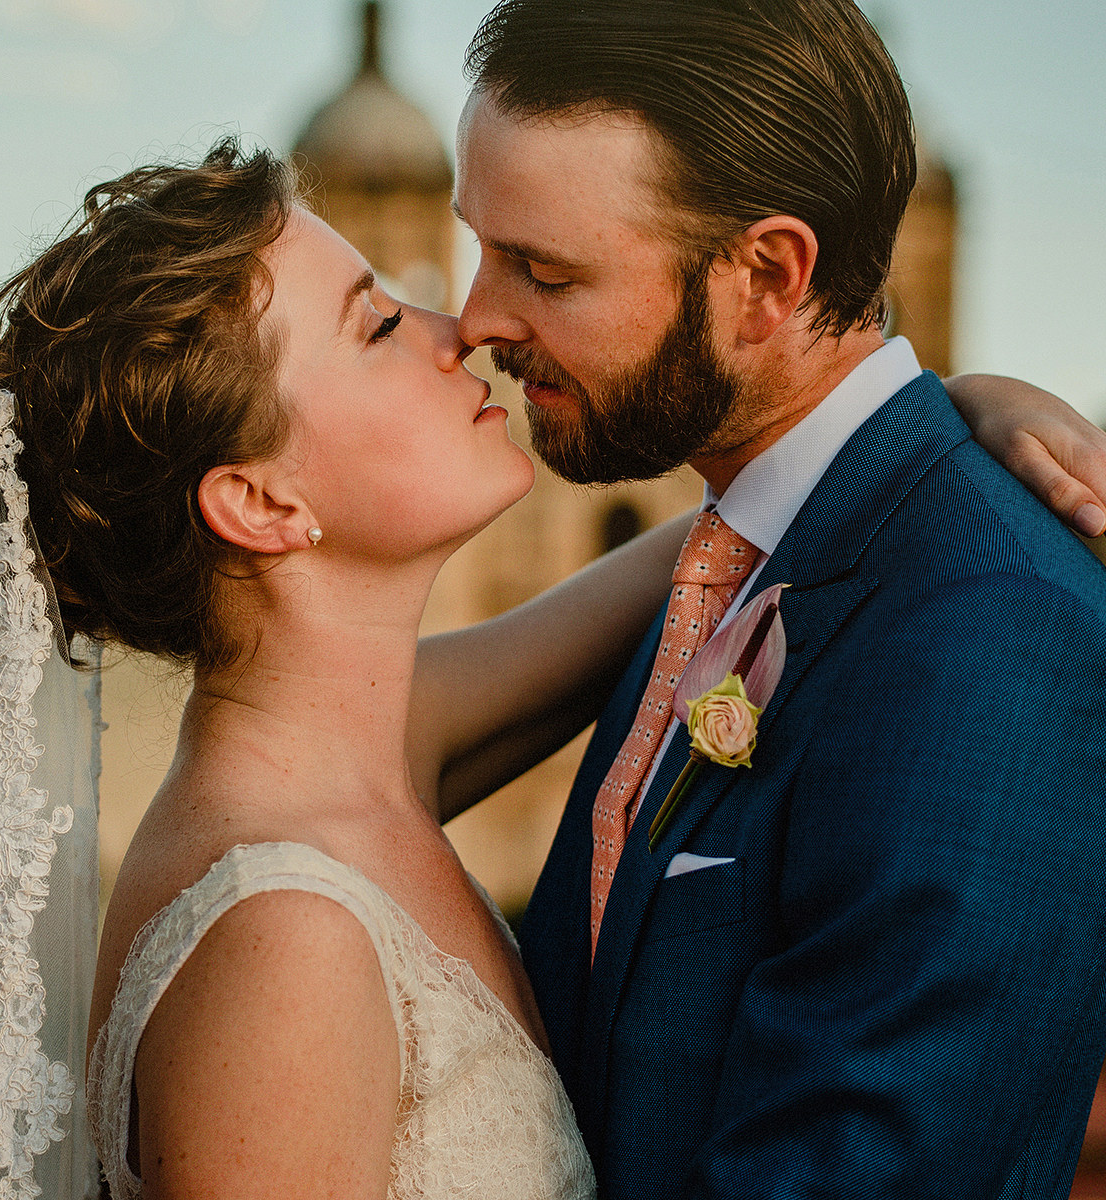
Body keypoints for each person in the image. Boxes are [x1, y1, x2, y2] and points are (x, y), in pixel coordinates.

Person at [0, 138, 1106, 1198]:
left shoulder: (373, 752)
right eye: (382, 321)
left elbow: (760, 507)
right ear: (260, 503)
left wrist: (940, 411)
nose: (470, 329)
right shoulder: (279, 945)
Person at [426, 1, 1106, 1197]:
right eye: (480, 246)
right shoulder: (738, 557)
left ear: (769, 276)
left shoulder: (988, 633)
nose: (478, 318)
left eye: (544, 269)